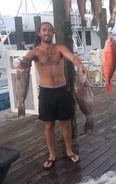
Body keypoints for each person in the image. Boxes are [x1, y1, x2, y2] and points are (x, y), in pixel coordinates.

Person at [13, 22, 87, 170]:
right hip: (46, 92)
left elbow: (72, 57)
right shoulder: (34, 52)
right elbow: (22, 63)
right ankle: (52, 155)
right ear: (39, 33)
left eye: (50, 31)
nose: (47, 33)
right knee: (49, 126)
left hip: (61, 90)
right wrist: (19, 63)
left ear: (52, 33)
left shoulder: (59, 48)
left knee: (65, 123)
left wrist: (81, 66)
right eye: (44, 30)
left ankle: (69, 151)